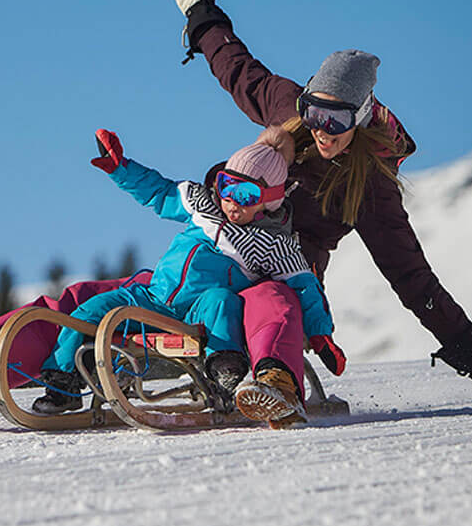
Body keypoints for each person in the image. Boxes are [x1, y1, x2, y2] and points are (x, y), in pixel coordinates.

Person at [172, 0, 472, 408]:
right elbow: (236, 68)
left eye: (336, 120)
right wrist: (201, 13)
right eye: (315, 113)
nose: (322, 130)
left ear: (361, 116)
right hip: (233, 236)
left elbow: (412, 278)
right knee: (194, 278)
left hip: (293, 269)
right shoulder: (287, 108)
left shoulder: (369, 185)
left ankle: (272, 378)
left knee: (272, 299)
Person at [28, 126, 342, 428]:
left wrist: (321, 335)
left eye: (246, 194)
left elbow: (305, 286)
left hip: (198, 311)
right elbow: (159, 191)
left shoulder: (273, 244)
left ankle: (225, 373)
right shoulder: (203, 204)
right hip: (153, 297)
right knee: (91, 310)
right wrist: (120, 168)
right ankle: (62, 386)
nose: (232, 201)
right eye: (227, 186)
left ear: (269, 199)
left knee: (223, 301)